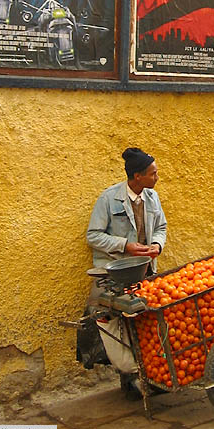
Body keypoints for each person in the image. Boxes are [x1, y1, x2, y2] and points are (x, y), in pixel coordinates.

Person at [84, 147, 167, 399]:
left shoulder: (152, 198)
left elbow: (161, 227)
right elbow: (93, 236)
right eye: (153, 173)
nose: (156, 177)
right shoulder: (109, 199)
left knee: (143, 324)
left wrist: (157, 245)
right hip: (116, 275)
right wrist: (125, 245)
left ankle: (149, 376)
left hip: (145, 272)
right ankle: (129, 378)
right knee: (119, 325)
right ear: (137, 176)